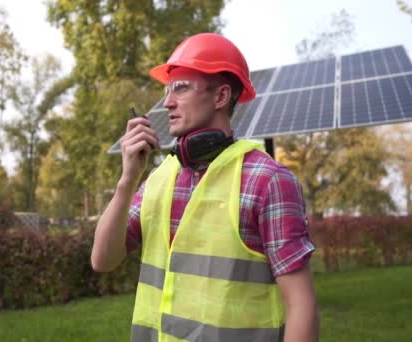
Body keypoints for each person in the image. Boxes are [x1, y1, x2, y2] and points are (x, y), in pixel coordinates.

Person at [92, 33, 319, 342]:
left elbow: (301, 305)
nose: (167, 102)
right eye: (167, 90)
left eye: (181, 88)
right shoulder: (160, 177)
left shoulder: (269, 181)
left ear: (221, 97)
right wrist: (126, 180)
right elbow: (103, 260)